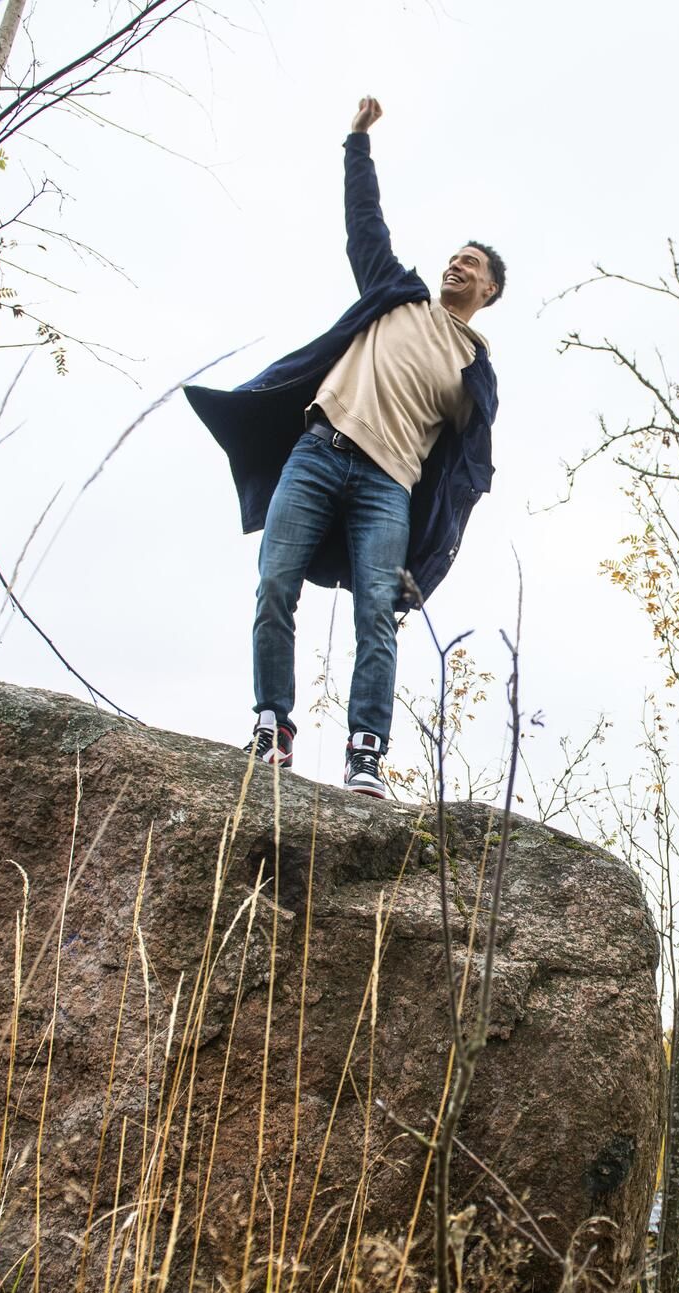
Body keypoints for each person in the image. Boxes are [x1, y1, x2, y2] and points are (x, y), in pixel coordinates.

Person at [185, 96, 504, 798]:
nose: (456, 264)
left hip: (387, 486)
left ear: (490, 290)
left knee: (376, 615)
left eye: (471, 262)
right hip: (320, 450)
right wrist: (356, 144)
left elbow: (460, 485)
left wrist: (425, 558)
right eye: (454, 255)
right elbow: (365, 225)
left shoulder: (474, 378)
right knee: (274, 583)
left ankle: (365, 754)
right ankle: (272, 726)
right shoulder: (397, 296)